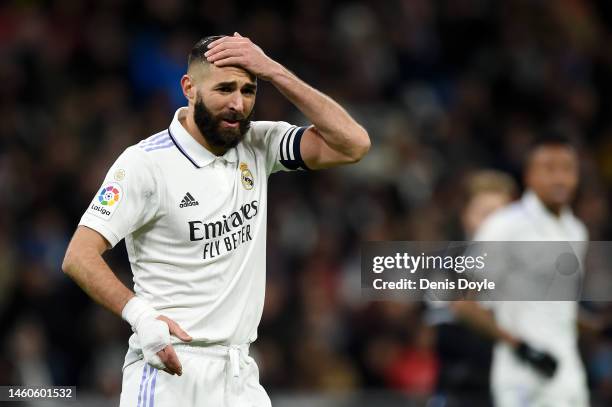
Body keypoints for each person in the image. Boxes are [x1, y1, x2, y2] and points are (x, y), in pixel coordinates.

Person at [61, 33, 370, 407]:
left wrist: (273, 72)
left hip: (240, 374)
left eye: (249, 90)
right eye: (225, 89)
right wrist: (141, 316)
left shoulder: (259, 144)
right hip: (169, 372)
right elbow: (79, 255)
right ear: (189, 88)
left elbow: (354, 144)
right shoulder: (145, 164)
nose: (238, 104)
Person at [452, 134, 590, 406]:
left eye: (567, 169)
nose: (559, 179)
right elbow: (464, 303)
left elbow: (558, 309)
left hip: (569, 374)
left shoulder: (577, 231)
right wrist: (522, 348)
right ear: (529, 175)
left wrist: (597, 327)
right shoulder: (505, 226)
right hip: (523, 379)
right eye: (549, 169)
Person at [427, 170, 517, 406]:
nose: (495, 223)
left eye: (503, 214)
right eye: (485, 213)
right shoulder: (444, 265)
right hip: (462, 392)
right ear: (465, 215)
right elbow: (446, 334)